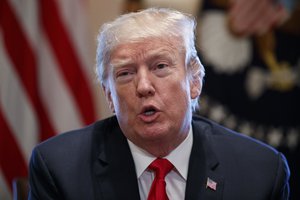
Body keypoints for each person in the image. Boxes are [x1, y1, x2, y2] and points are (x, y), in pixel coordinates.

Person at [28, 7, 290, 200]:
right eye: (125, 73)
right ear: (110, 96)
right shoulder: (59, 169)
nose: (143, 86)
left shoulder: (261, 172)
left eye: (160, 67)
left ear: (194, 81)